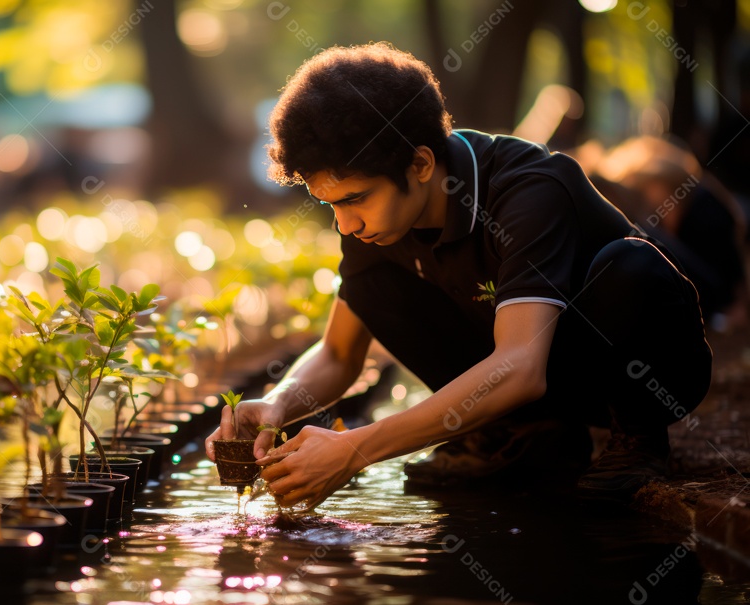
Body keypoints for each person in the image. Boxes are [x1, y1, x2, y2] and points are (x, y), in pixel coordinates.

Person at [204, 43, 712, 509]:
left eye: (355, 199)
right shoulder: (377, 222)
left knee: (628, 264)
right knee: (372, 288)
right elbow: (339, 354)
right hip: (538, 381)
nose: (345, 223)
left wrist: (356, 448)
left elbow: (520, 367)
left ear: (420, 164)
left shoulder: (527, 189)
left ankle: (637, 436)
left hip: (637, 369)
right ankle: (525, 434)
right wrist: (277, 404)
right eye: (330, 205)